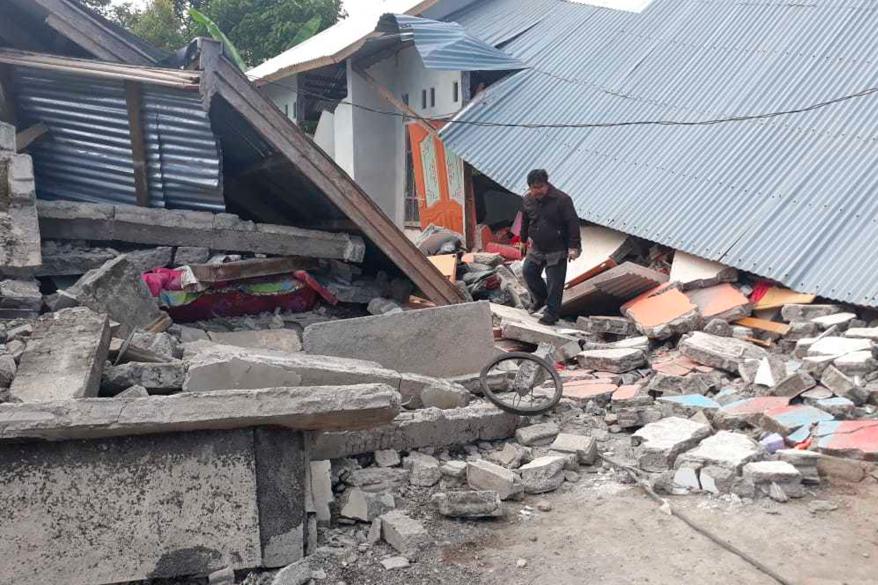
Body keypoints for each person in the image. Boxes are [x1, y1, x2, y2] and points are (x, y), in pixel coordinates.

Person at [517, 169, 581, 325]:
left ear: (547, 185)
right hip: (537, 246)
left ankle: (552, 314)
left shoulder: (562, 199)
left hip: (557, 247)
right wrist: (523, 240)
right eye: (533, 188)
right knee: (528, 272)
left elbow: (572, 223)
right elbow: (525, 220)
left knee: (555, 283)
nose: (537, 191)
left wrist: (574, 247)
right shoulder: (528, 200)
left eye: (540, 187)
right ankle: (540, 300)